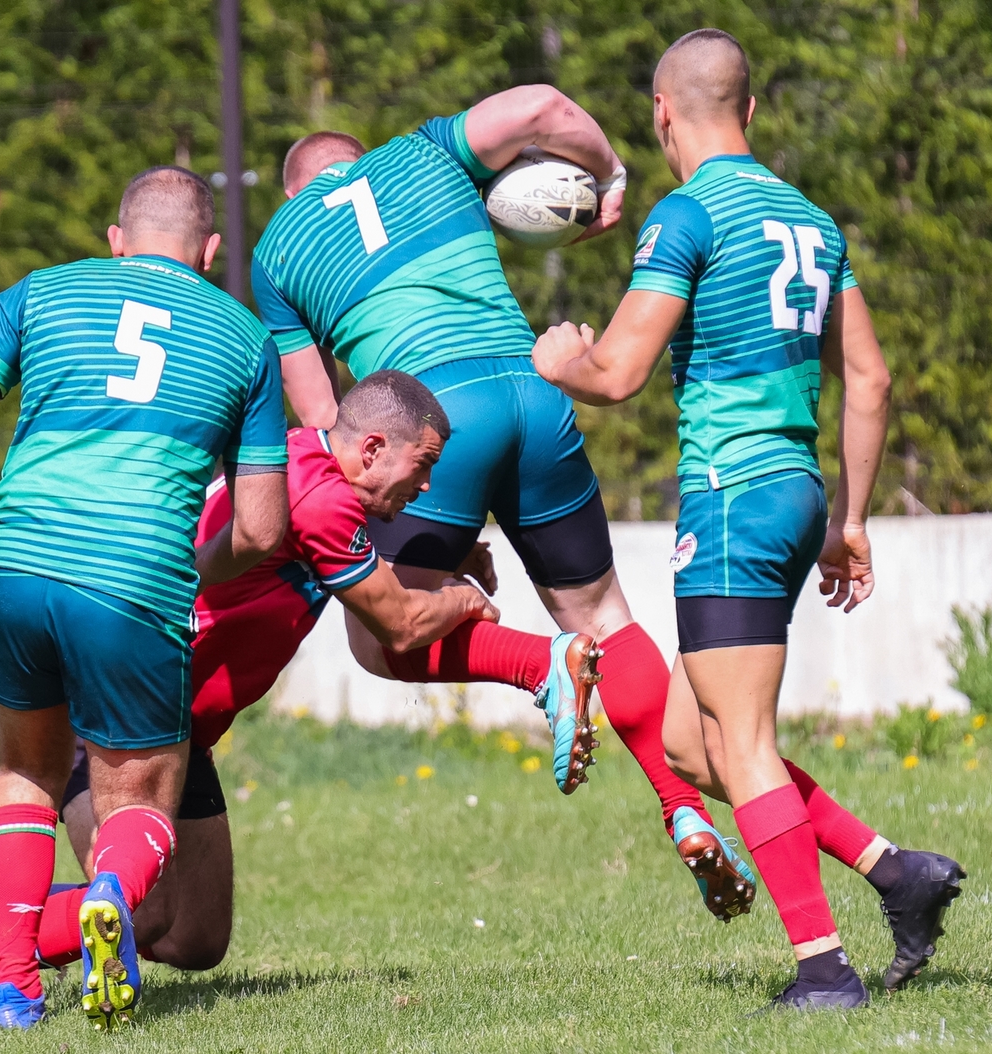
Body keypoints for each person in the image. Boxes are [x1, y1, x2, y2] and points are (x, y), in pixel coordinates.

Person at [0, 372, 603, 1001]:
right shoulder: (323, 501)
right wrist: (465, 598)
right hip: (115, 715)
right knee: (141, 914)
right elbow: (404, 626)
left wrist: (448, 560)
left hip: (180, 731)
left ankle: (18, 905)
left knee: (195, 940)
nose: (428, 487)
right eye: (425, 465)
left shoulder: (298, 463)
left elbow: (344, 552)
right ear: (373, 449)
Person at [532, 29, 964, 1010]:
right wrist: (850, 520)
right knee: (694, 745)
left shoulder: (686, 216)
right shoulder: (811, 219)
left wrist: (562, 363)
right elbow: (869, 378)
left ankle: (823, 969)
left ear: (661, 115)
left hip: (731, 496)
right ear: (752, 110)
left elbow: (619, 371)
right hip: (795, 493)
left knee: (745, 739)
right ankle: (899, 874)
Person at [251, 84, 758, 917]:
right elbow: (543, 106)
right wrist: (610, 175)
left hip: (436, 422)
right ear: (362, 161)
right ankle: (684, 809)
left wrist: (426, 534)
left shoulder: (278, 251)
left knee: (384, 636)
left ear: (292, 192)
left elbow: (327, 427)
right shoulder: (423, 154)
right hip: (534, 394)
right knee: (605, 616)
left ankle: (540, 666)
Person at [0, 166, 292, 1029]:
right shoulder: (244, 338)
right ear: (209, 251)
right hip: (133, 585)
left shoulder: (43, 294)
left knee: (24, 775)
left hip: (17, 571)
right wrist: (184, 567)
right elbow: (264, 530)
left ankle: (13, 994)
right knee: (139, 800)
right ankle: (109, 894)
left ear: (117, 240)